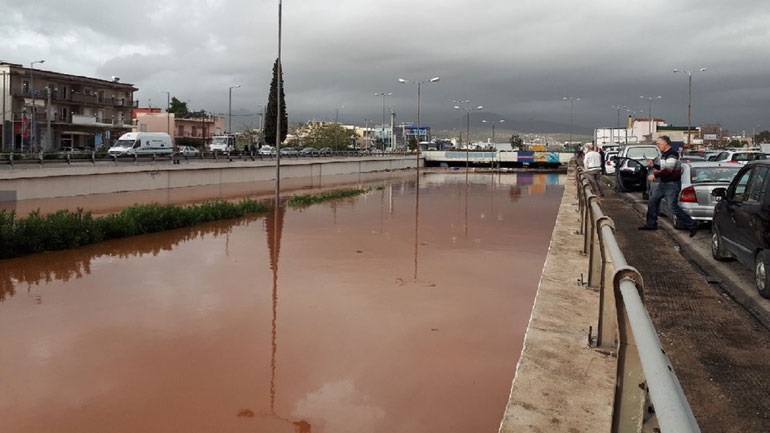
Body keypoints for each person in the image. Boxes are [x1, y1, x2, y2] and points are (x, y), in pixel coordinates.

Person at [638, 135, 699, 237]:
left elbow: (668, 170)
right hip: (664, 183)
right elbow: (664, 168)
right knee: (653, 201)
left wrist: (654, 175)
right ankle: (651, 224)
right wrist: (653, 165)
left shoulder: (672, 154)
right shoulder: (664, 154)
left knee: (672, 207)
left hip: (672, 184)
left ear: (666, 143)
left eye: (659, 144)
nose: (658, 146)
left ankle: (692, 224)